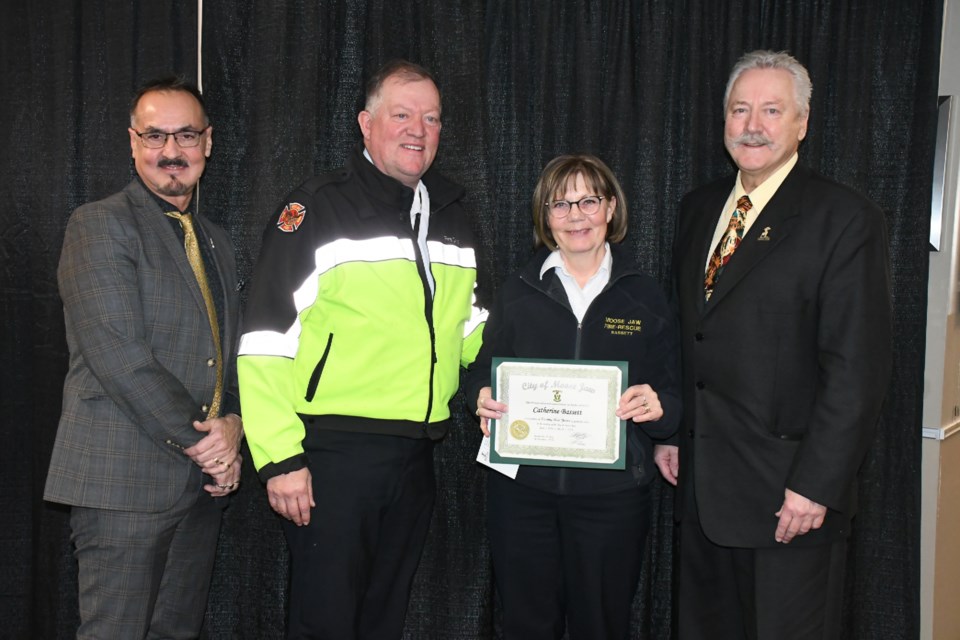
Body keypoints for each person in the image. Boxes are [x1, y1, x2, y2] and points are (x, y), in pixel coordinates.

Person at [237, 60, 486, 638]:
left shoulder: (453, 214)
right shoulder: (316, 208)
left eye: (431, 118)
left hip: (416, 455)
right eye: (402, 114)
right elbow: (266, 339)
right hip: (332, 457)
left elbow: (472, 329)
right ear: (365, 124)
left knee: (383, 619)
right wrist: (279, 458)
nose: (418, 130)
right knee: (325, 621)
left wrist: (495, 382)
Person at [654, 50, 893, 640]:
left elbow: (856, 369)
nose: (752, 125)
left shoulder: (843, 218)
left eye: (771, 109)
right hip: (703, 491)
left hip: (790, 502)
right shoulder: (698, 209)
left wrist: (816, 485)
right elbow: (689, 336)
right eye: (740, 109)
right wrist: (672, 432)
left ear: (802, 123)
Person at [44, 76, 244, 639]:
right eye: (155, 136)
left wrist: (233, 426)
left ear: (209, 143)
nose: (171, 151)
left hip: (199, 489)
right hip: (122, 484)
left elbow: (229, 356)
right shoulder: (99, 224)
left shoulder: (217, 242)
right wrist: (209, 446)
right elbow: (119, 356)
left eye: (186, 135)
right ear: (133, 143)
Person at [465, 154, 681, 639]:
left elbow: (674, 396)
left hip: (613, 499)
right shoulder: (518, 291)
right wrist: (481, 394)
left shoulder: (645, 296)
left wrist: (659, 407)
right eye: (560, 204)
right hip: (523, 494)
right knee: (525, 624)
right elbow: (483, 368)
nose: (576, 215)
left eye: (588, 200)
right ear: (545, 217)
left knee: (601, 626)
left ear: (610, 208)